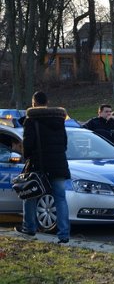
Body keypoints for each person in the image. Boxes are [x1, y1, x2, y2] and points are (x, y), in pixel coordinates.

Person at [14, 91, 71, 243]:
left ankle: (29, 227)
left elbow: (28, 145)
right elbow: (64, 143)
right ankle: (64, 234)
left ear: (34, 103)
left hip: (38, 165)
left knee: (30, 195)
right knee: (60, 198)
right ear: (47, 102)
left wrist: (27, 157)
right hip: (59, 164)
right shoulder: (59, 120)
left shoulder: (31, 120)